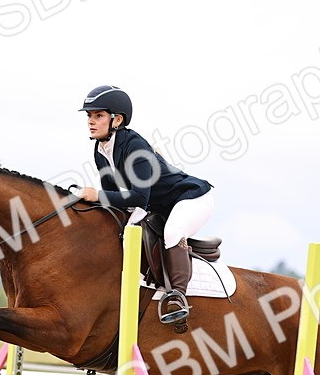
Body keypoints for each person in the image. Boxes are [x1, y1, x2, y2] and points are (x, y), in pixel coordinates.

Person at [73, 85, 214, 324]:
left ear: (116, 119)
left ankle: (176, 297)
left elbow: (138, 198)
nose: (91, 121)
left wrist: (95, 196)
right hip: (159, 206)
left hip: (192, 198)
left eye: (98, 116)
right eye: (89, 116)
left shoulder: (135, 146)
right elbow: (113, 195)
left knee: (172, 232)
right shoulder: (100, 149)